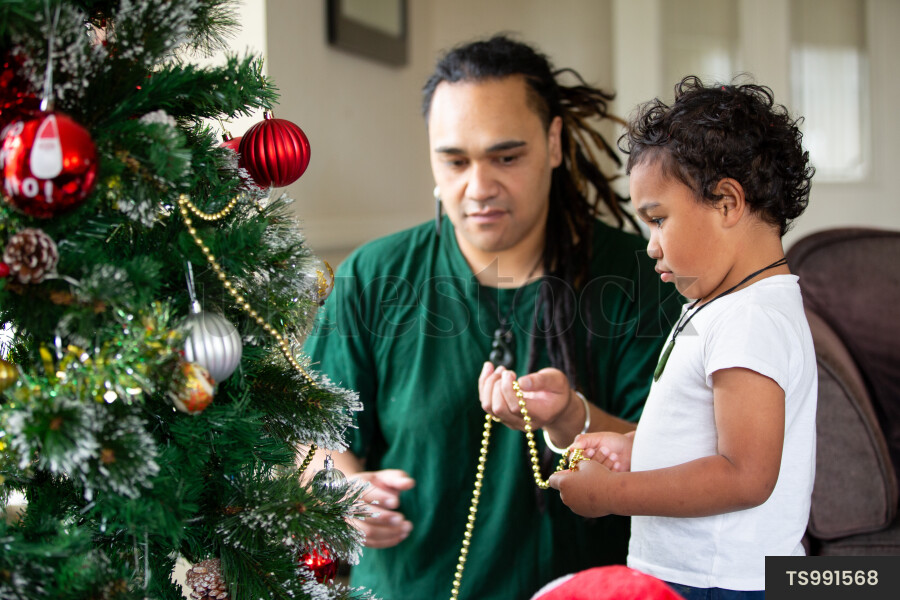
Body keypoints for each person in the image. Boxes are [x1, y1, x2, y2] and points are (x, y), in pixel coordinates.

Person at [305, 35, 680, 600]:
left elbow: (674, 462)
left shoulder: (639, 278)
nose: (478, 188)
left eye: (506, 157)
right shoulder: (373, 276)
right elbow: (311, 438)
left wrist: (573, 417)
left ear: (553, 142)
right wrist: (341, 492)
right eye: (455, 161)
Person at [540, 76, 817, 599]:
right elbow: (703, 435)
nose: (651, 246)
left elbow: (745, 475)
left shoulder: (749, 319)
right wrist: (635, 448)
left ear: (727, 203)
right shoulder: (725, 305)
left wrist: (615, 493)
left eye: (658, 219)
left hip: (716, 584)